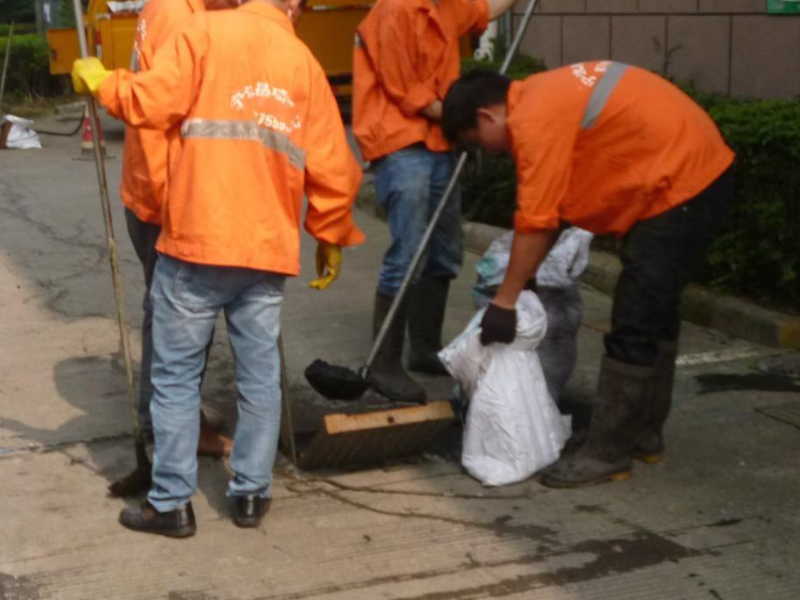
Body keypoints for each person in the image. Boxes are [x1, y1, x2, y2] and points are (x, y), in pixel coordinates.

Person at [71, 0, 364, 536]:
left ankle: (172, 504)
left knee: (176, 379)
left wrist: (102, 80)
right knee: (259, 377)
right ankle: (251, 495)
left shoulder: (201, 35)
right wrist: (330, 231)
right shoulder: (301, 60)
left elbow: (150, 102)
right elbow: (330, 160)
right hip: (266, 251)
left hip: (197, 243)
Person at [441, 62, 735, 488]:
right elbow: (554, 212)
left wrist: (504, 302)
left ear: (486, 116)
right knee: (656, 308)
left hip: (681, 184)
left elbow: (537, 220)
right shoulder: (543, 97)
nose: (490, 152)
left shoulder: (532, 120)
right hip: (693, 174)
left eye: (477, 142)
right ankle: (641, 433)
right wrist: (523, 278)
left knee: (636, 315)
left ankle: (607, 453)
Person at [351, 0, 517, 404]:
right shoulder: (395, 11)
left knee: (444, 253)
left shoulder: (446, 6)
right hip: (402, 144)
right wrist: (477, 123)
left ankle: (424, 350)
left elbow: (486, 10)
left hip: (441, 142)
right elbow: (412, 94)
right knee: (408, 254)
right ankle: (384, 364)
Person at [109, 0, 235, 500]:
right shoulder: (182, 17)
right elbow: (161, 101)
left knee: (170, 318)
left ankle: (174, 426)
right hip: (169, 196)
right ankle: (163, 435)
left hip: (152, 189)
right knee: (176, 322)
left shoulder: (168, 7)